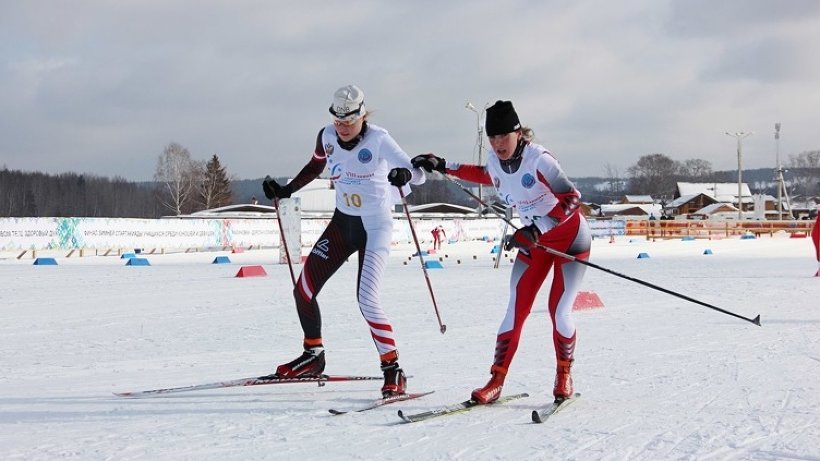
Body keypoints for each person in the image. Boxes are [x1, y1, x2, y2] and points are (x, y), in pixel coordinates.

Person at [412, 100, 591, 404]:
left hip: (570, 239)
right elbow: (485, 175)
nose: (497, 145)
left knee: (558, 310)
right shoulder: (496, 161)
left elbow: (572, 198)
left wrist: (536, 230)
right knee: (515, 309)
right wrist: (442, 164)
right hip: (534, 242)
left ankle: (564, 374)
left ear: (518, 133)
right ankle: (496, 380)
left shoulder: (539, 159)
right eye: (492, 138)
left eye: (503, 137)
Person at [262, 84, 426, 397]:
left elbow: (416, 174)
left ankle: (393, 369)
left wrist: (405, 176)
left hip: (375, 227)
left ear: (362, 116)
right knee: (303, 290)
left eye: (348, 122)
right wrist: (286, 190)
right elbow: (315, 165)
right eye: (338, 122)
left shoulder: (380, 139)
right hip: (342, 224)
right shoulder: (325, 136)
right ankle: (313, 356)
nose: (343, 128)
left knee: (366, 299)